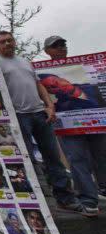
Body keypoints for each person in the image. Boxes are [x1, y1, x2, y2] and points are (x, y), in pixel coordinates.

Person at [0, 31, 84, 214]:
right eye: (2, 42)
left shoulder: (25, 61)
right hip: (18, 116)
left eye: (10, 40)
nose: (7, 44)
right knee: (27, 160)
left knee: (53, 158)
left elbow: (38, 84)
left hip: (39, 113)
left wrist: (50, 105)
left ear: (15, 42)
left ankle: (64, 198)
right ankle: (36, 202)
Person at [43, 36, 106, 207]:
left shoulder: (84, 69)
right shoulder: (41, 73)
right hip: (67, 123)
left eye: (63, 44)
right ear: (47, 51)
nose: (61, 48)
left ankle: (103, 188)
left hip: (94, 120)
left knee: (101, 156)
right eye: (55, 46)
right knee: (77, 159)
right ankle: (88, 198)